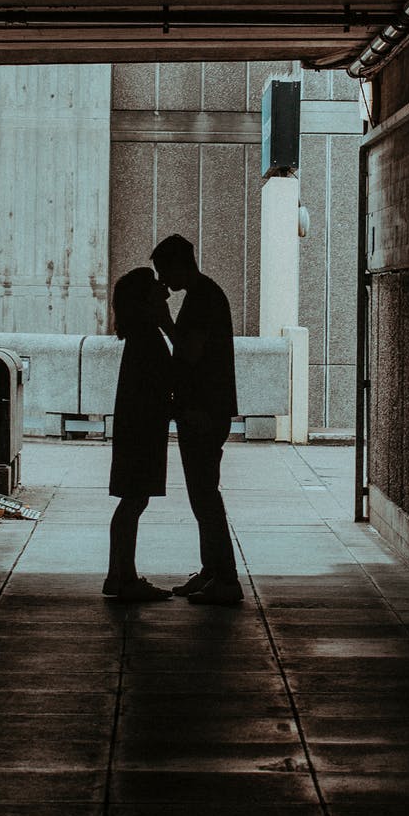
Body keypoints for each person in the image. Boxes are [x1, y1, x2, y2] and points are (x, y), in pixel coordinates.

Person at [151, 233, 244, 606]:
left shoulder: (202, 299)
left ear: (177, 264)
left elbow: (190, 352)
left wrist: (164, 323)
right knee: (202, 493)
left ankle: (225, 578)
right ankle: (211, 571)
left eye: (162, 271)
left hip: (204, 411)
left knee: (205, 495)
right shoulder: (205, 294)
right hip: (209, 408)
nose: (161, 281)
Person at [103, 267, 174, 602]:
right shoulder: (149, 336)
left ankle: (118, 573)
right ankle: (124, 575)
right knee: (135, 499)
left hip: (136, 423)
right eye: (156, 286)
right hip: (144, 425)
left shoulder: (138, 335)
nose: (164, 288)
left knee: (131, 499)